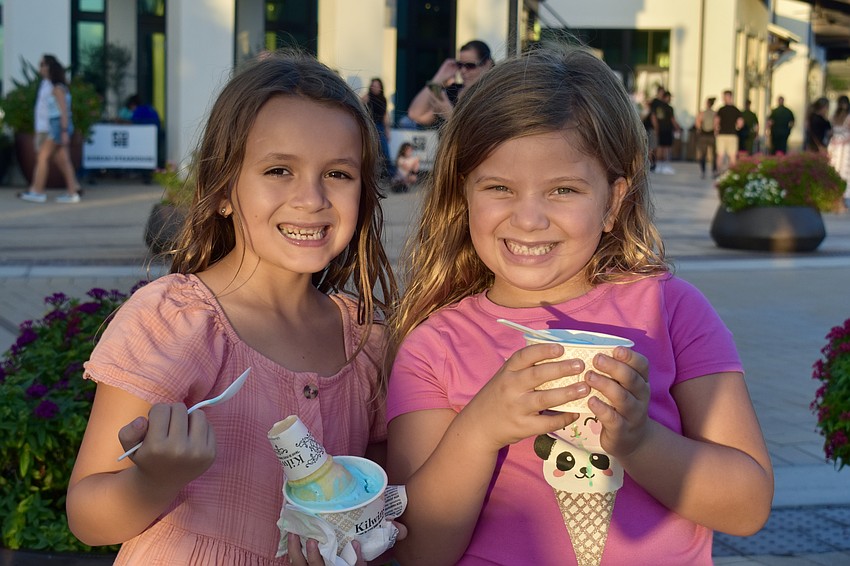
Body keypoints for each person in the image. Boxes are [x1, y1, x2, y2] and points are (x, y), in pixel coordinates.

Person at [385, 46, 772, 565]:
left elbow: (746, 507)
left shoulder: (669, 310)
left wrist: (639, 441)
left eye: (563, 190)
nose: (528, 219)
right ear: (464, 195)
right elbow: (417, 552)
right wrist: (479, 430)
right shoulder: (434, 346)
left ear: (612, 202)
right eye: (499, 187)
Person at [66, 52, 400, 565]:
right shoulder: (176, 320)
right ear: (223, 190)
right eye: (279, 170)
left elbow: (370, 500)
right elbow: (87, 515)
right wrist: (154, 478)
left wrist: (356, 537)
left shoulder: (364, 341)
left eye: (337, 173)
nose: (310, 198)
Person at [17, 54, 81, 204]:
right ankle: (72, 192)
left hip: (56, 127)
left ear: (50, 68)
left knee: (42, 157)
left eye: (43, 64)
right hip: (55, 127)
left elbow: (64, 111)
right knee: (63, 161)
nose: (40, 67)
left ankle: (37, 190)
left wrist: (64, 131)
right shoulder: (53, 86)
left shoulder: (57, 88)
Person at [406, 40, 494, 127]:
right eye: (459, 65)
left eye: (470, 65)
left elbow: (479, 136)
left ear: (487, 64)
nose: (463, 71)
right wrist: (438, 78)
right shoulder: (453, 91)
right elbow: (415, 114)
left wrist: (448, 113)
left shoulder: (494, 96)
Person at [362, 78, 394, 178]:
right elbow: (359, 108)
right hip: (370, 126)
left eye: (377, 85)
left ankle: (389, 174)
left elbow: (385, 115)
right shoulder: (367, 97)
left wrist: (387, 130)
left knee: (385, 150)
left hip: (380, 126)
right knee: (371, 150)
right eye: (374, 85)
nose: (376, 87)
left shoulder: (383, 99)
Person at [715, 89, 743, 175]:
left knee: (720, 154)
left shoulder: (721, 109)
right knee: (732, 155)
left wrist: (716, 130)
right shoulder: (736, 110)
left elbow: (716, 121)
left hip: (722, 134)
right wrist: (737, 128)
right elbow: (740, 123)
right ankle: (732, 173)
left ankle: (719, 171)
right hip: (732, 135)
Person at [652, 90, 680, 174]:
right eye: (669, 97)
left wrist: (656, 128)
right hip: (667, 129)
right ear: (666, 97)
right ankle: (665, 166)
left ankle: (658, 166)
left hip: (660, 129)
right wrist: (677, 127)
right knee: (667, 148)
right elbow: (672, 119)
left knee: (660, 147)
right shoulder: (669, 108)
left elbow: (654, 117)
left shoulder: (658, 107)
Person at [829, 95, 850, 198]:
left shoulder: (847, 117)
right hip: (836, 144)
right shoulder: (835, 116)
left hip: (844, 146)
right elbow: (832, 130)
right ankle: (835, 190)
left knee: (843, 168)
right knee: (834, 166)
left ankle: (843, 192)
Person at [694, 96, 717, 179]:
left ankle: (703, 171)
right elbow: (716, 124)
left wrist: (699, 129)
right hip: (711, 135)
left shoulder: (702, 113)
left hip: (703, 135)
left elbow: (697, 123)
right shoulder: (715, 113)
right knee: (714, 154)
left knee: (703, 154)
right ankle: (714, 171)